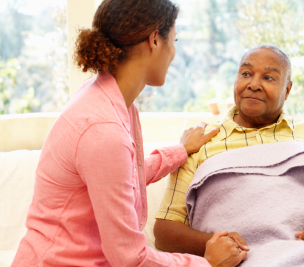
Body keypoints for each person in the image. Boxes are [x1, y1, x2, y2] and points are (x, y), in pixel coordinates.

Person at [11, 0, 248, 266]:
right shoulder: (103, 129)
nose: (174, 53)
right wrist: (207, 263)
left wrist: (180, 151)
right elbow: (130, 259)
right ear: (155, 40)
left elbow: (122, 178)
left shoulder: (109, 98)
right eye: (175, 40)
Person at [154, 44, 304, 256]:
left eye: (268, 77)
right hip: (239, 259)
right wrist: (214, 243)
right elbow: (164, 232)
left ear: (287, 89)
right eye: (246, 74)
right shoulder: (200, 142)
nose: (253, 84)